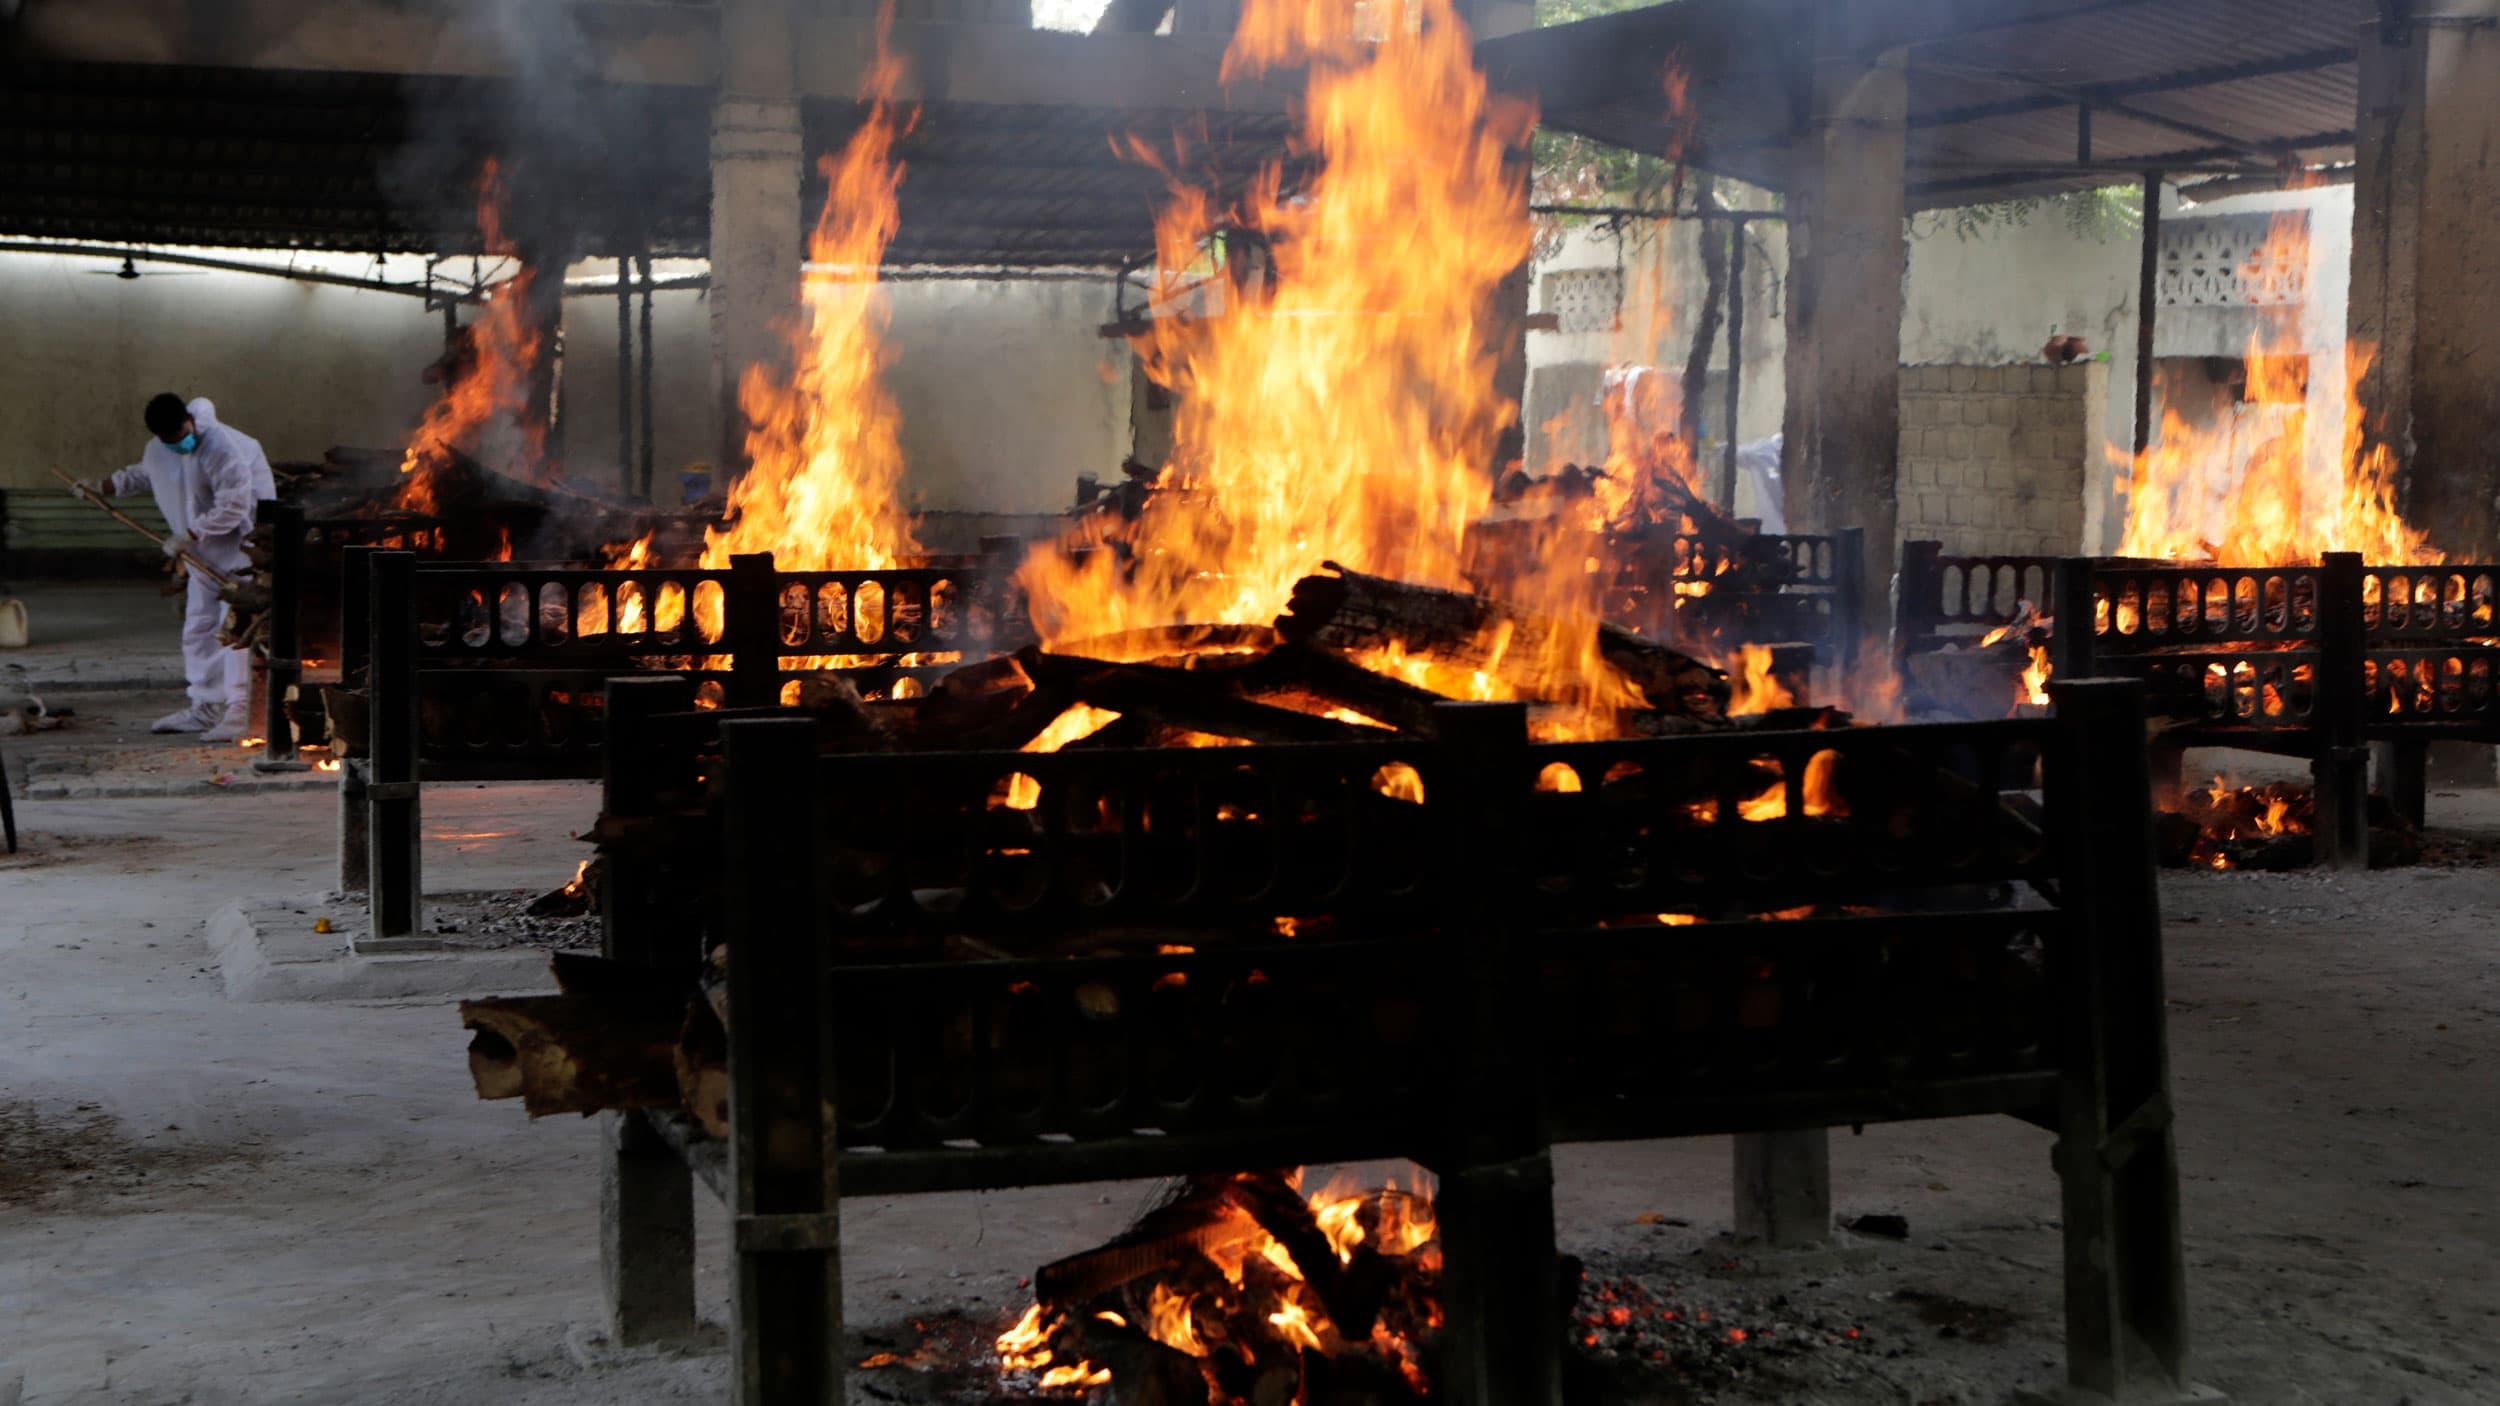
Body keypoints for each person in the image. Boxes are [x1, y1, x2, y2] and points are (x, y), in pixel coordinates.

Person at [80, 394, 276, 742]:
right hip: (201, 556)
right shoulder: (160, 448)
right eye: (169, 441)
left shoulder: (221, 446)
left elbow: (235, 504)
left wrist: (190, 533)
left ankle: (241, 708)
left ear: (189, 419)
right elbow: (149, 474)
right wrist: (104, 486)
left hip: (241, 551)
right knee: (199, 626)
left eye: (181, 435)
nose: (178, 444)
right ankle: (206, 706)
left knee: (236, 629)